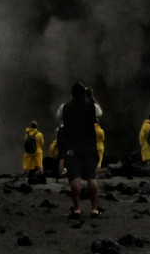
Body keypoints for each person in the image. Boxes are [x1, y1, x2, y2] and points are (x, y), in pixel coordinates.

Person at [57, 83, 101, 219]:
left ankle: (77, 208)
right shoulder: (91, 107)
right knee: (91, 178)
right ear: (84, 94)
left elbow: (59, 114)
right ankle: (94, 209)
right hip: (89, 146)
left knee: (75, 178)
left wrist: (72, 99)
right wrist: (91, 96)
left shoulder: (65, 108)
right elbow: (100, 112)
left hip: (72, 148)